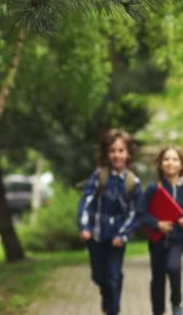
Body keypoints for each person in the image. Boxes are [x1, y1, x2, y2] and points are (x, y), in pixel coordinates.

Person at [77, 128, 143, 315]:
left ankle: (113, 309)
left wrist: (123, 234)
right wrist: (84, 227)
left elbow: (136, 213)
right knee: (98, 276)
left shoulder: (133, 182)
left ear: (128, 154)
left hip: (116, 239)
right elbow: (86, 202)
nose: (117, 155)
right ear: (107, 153)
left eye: (121, 150)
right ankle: (109, 294)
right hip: (96, 235)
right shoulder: (99, 176)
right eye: (112, 150)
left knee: (113, 277)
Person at [137, 145, 183, 315]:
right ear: (160, 164)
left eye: (175, 159)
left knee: (174, 267)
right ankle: (158, 311)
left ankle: (177, 303)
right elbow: (141, 213)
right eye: (166, 159)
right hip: (157, 240)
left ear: (181, 165)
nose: (170, 163)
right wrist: (157, 224)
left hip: (178, 239)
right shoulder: (154, 188)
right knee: (158, 278)